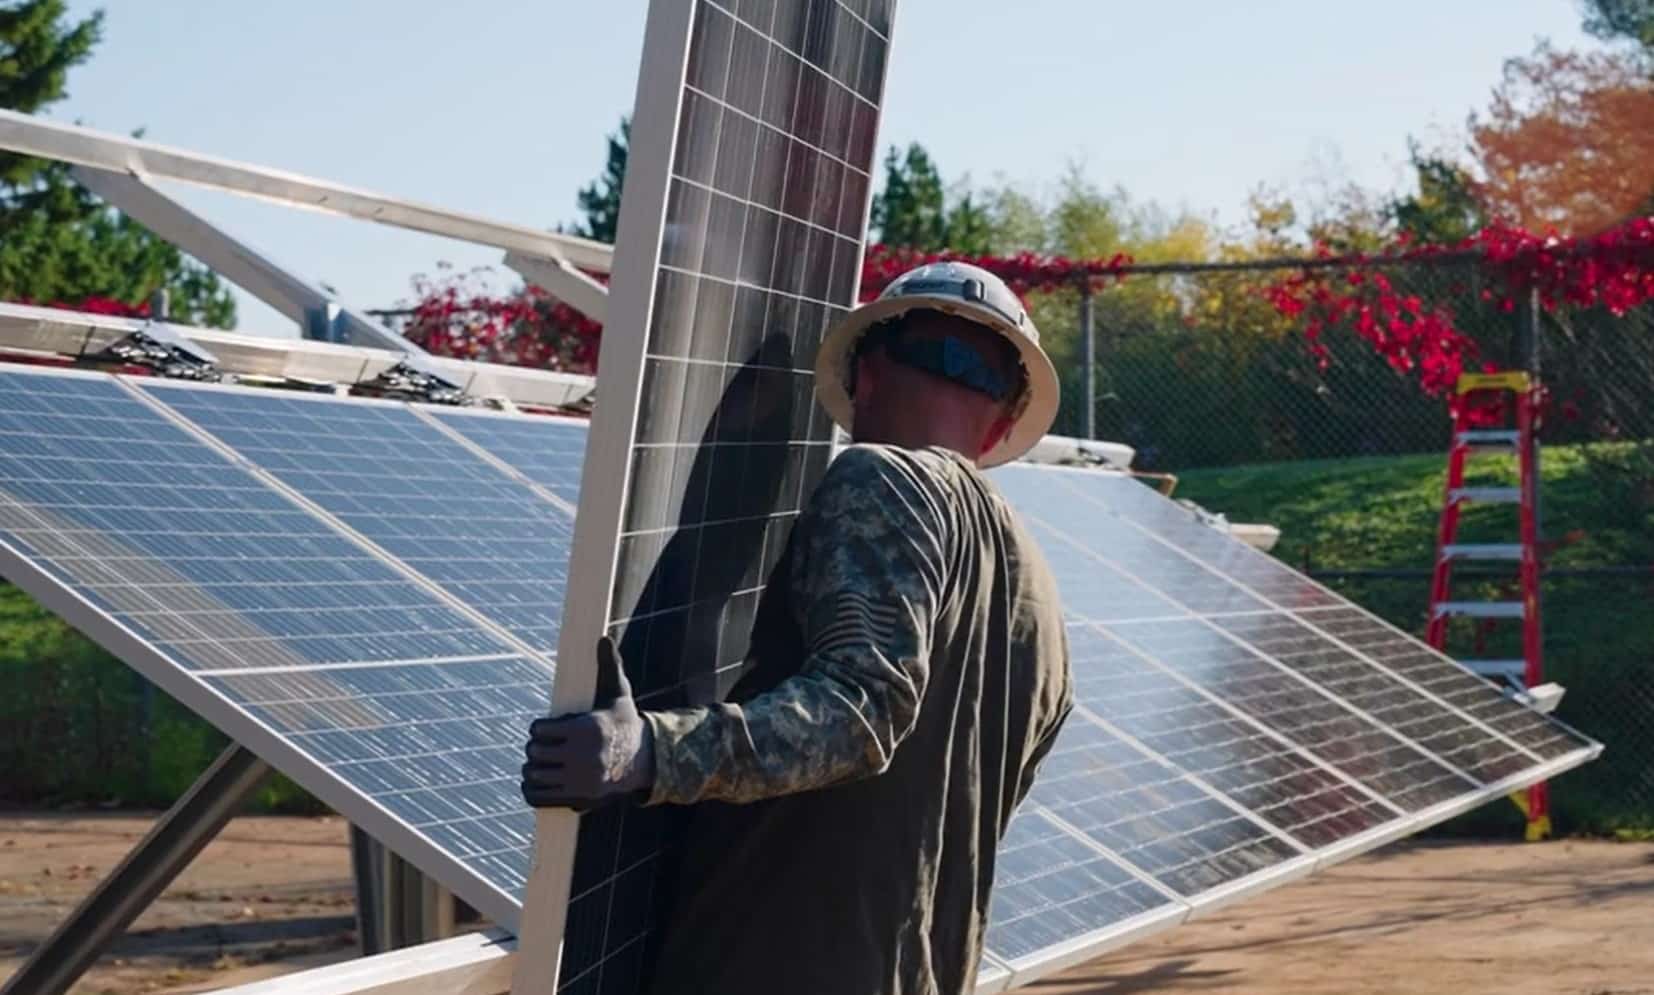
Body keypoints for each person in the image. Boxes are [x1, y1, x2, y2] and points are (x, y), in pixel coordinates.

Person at [521, 261, 1074, 995]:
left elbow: (861, 713)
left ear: (866, 378)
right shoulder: (1043, 598)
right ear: (1004, 424)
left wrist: (650, 750)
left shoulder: (883, 477)